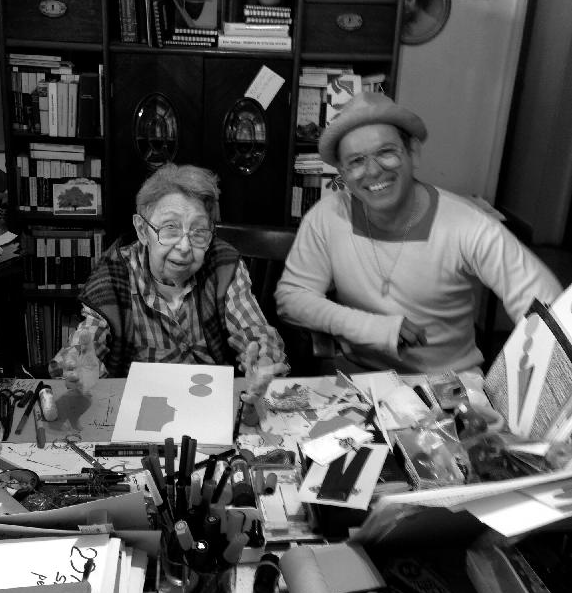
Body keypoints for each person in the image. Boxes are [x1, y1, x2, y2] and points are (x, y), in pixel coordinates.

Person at [275, 92, 562, 375]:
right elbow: (292, 298)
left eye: (386, 152)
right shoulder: (328, 216)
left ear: (413, 153)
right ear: (342, 172)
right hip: (355, 382)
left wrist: (524, 387)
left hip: (448, 385)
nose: (373, 171)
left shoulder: (469, 225)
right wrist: (373, 328)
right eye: (356, 161)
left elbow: (549, 311)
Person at [50, 163, 288, 391]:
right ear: (143, 230)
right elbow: (89, 340)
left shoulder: (224, 264)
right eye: (170, 228)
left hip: (210, 399)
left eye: (198, 232)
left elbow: (253, 330)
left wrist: (263, 359)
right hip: (140, 403)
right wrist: (78, 363)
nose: (184, 246)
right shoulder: (114, 274)